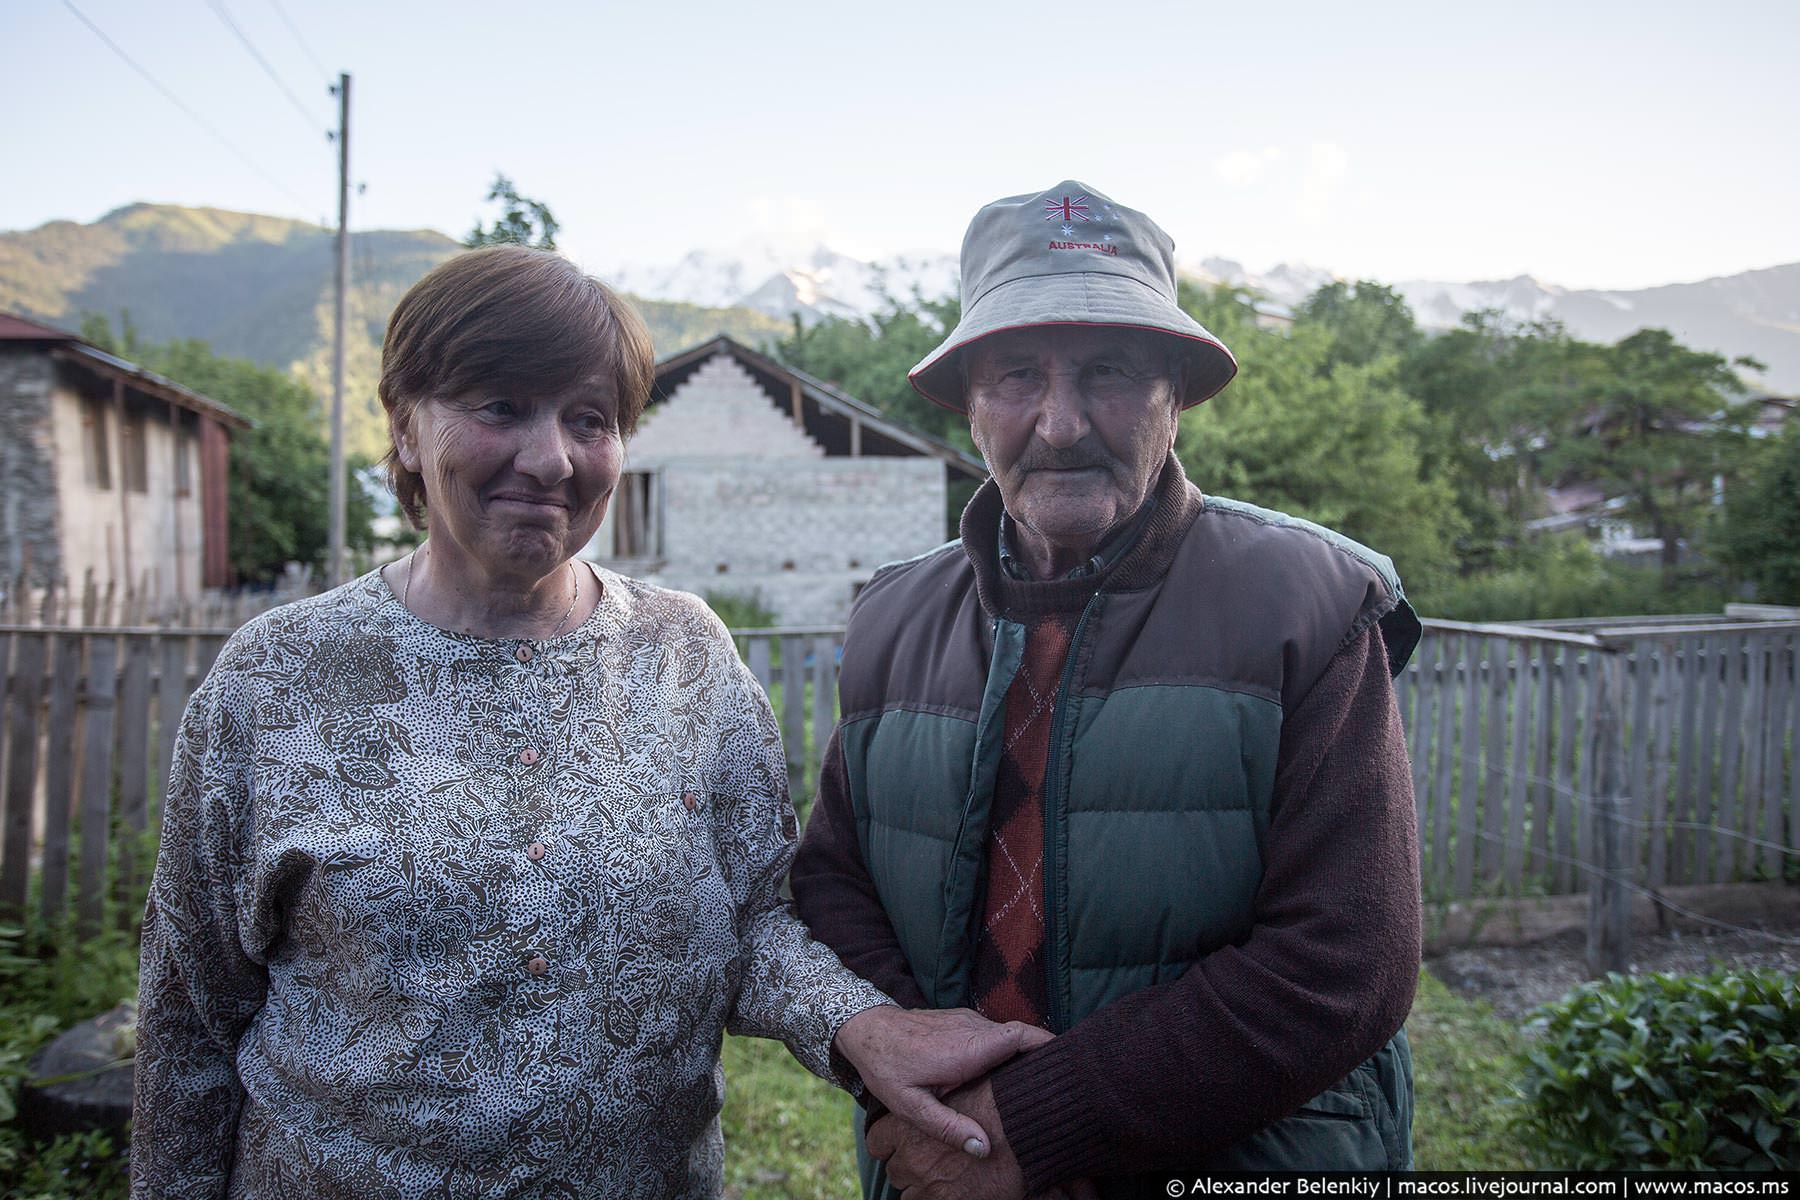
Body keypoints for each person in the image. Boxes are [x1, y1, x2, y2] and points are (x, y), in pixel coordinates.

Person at [131, 245, 1047, 1198]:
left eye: (590, 419)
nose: (551, 458)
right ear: (407, 429)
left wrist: (860, 1027)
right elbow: (189, 1023)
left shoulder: (685, 655)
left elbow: (757, 920)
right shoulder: (276, 680)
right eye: (499, 407)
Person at [792, 181, 1424, 1198]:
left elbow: (1345, 963)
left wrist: (1034, 1127)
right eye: (1014, 375)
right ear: (968, 399)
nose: (1061, 422)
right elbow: (832, 882)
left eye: (1112, 371)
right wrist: (932, 1086)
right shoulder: (892, 618)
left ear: (1176, 390)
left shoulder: (1305, 604)